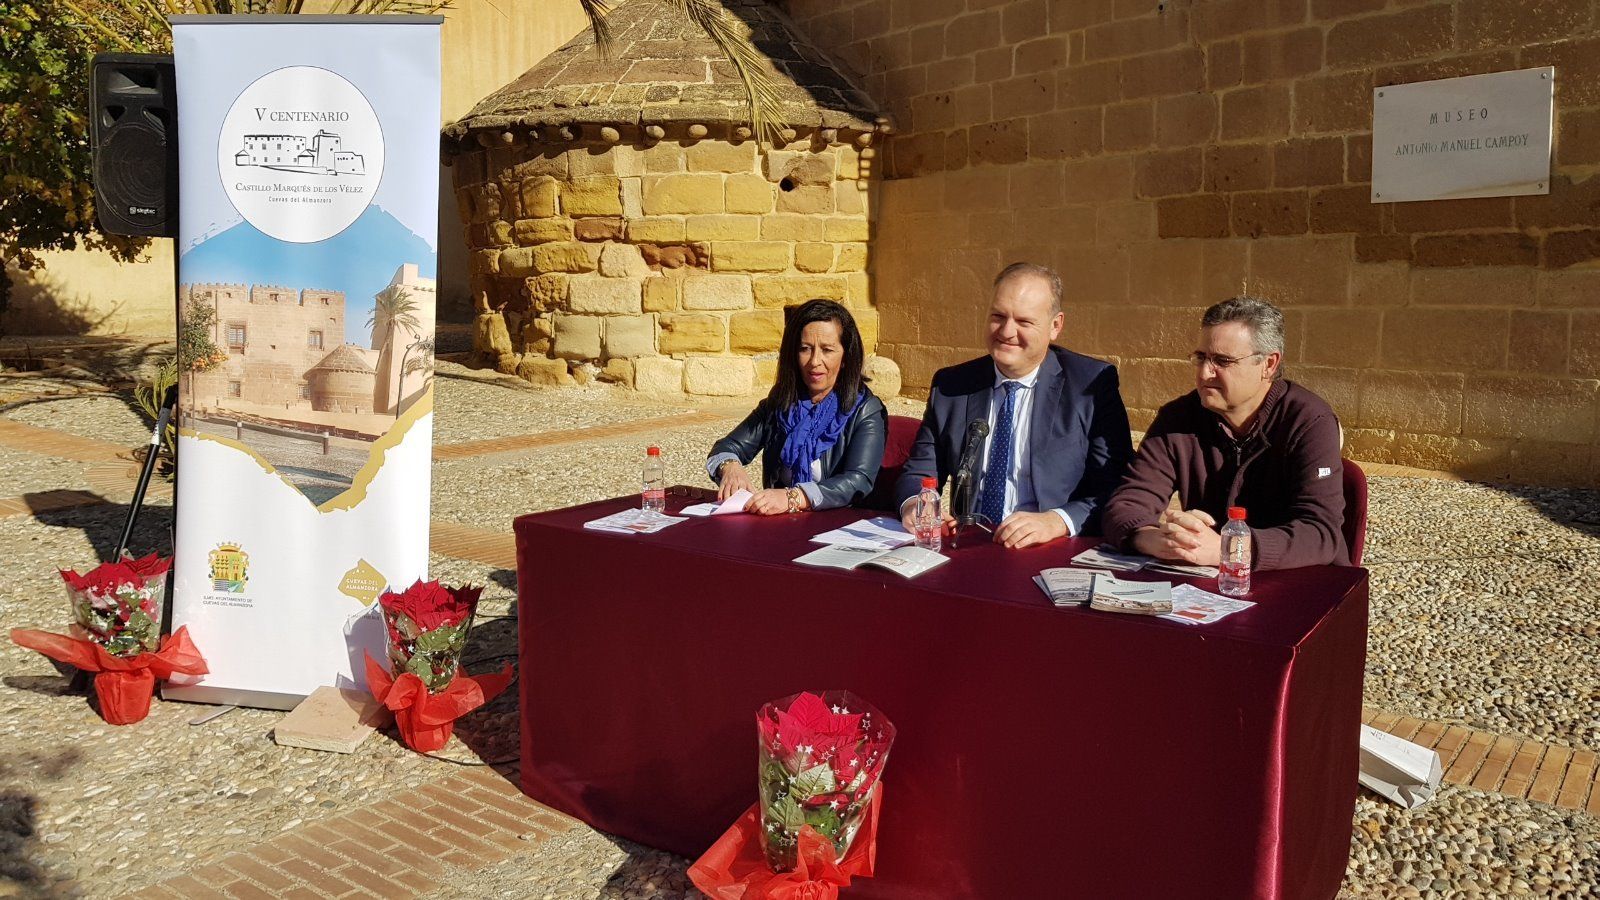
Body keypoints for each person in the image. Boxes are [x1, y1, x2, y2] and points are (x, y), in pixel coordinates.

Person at [895, 262, 1134, 548]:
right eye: (998, 316)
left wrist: (1057, 520)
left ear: (1055, 326)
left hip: (1049, 549)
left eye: (1024, 322)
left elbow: (1116, 485)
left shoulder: (1090, 386)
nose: (1007, 331)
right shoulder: (952, 386)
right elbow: (920, 470)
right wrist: (915, 506)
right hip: (970, 545)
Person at [1101, 296, 1349, 570]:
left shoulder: (1309, 421)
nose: (1205, 373)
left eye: (1222, 361)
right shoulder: (1178, 418)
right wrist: (1148, 537)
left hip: (1303, 585)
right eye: (1201, 358)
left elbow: (1320, 534)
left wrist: (1231, 549)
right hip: (1209, 585)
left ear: (1269, 365)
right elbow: (1128, 501)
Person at [707, 299, 887, 515]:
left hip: (836, 525)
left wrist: (794, 497)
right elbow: (728, 447)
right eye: (805, 349)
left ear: (846, 356)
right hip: (779, 522)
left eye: (827, 350)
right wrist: (730, 467)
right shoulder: (781, 402)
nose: (814, 361)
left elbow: (858, 480)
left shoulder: (866, 410)